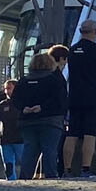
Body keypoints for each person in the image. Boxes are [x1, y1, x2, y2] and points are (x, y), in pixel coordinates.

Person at [13, 52, 69, 180]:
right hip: (50, 121)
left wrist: (24, 108)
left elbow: (15, 99)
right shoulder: (54, 80)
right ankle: (50, 177)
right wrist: (42, 107)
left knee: (29, 150)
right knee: (49, 150)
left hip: (27, 121)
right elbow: (60, 100)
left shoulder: (23, 81)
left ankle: (25, 177)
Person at [64, 31, 96, 178]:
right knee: (89, 134)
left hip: (74, 97)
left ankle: (67, 170)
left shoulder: (72, 50)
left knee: (71, 134)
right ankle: (86, 169)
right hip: (94, 98)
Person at [0, 78, 27, 180]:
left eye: (9, 88)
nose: (7, 91)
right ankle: (11, 182)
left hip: (21, 139)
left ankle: (26, 181)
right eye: (6, 89)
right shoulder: (3, 104)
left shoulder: (24, 102)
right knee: (8, 165)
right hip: (5, 140)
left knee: (25, 163)